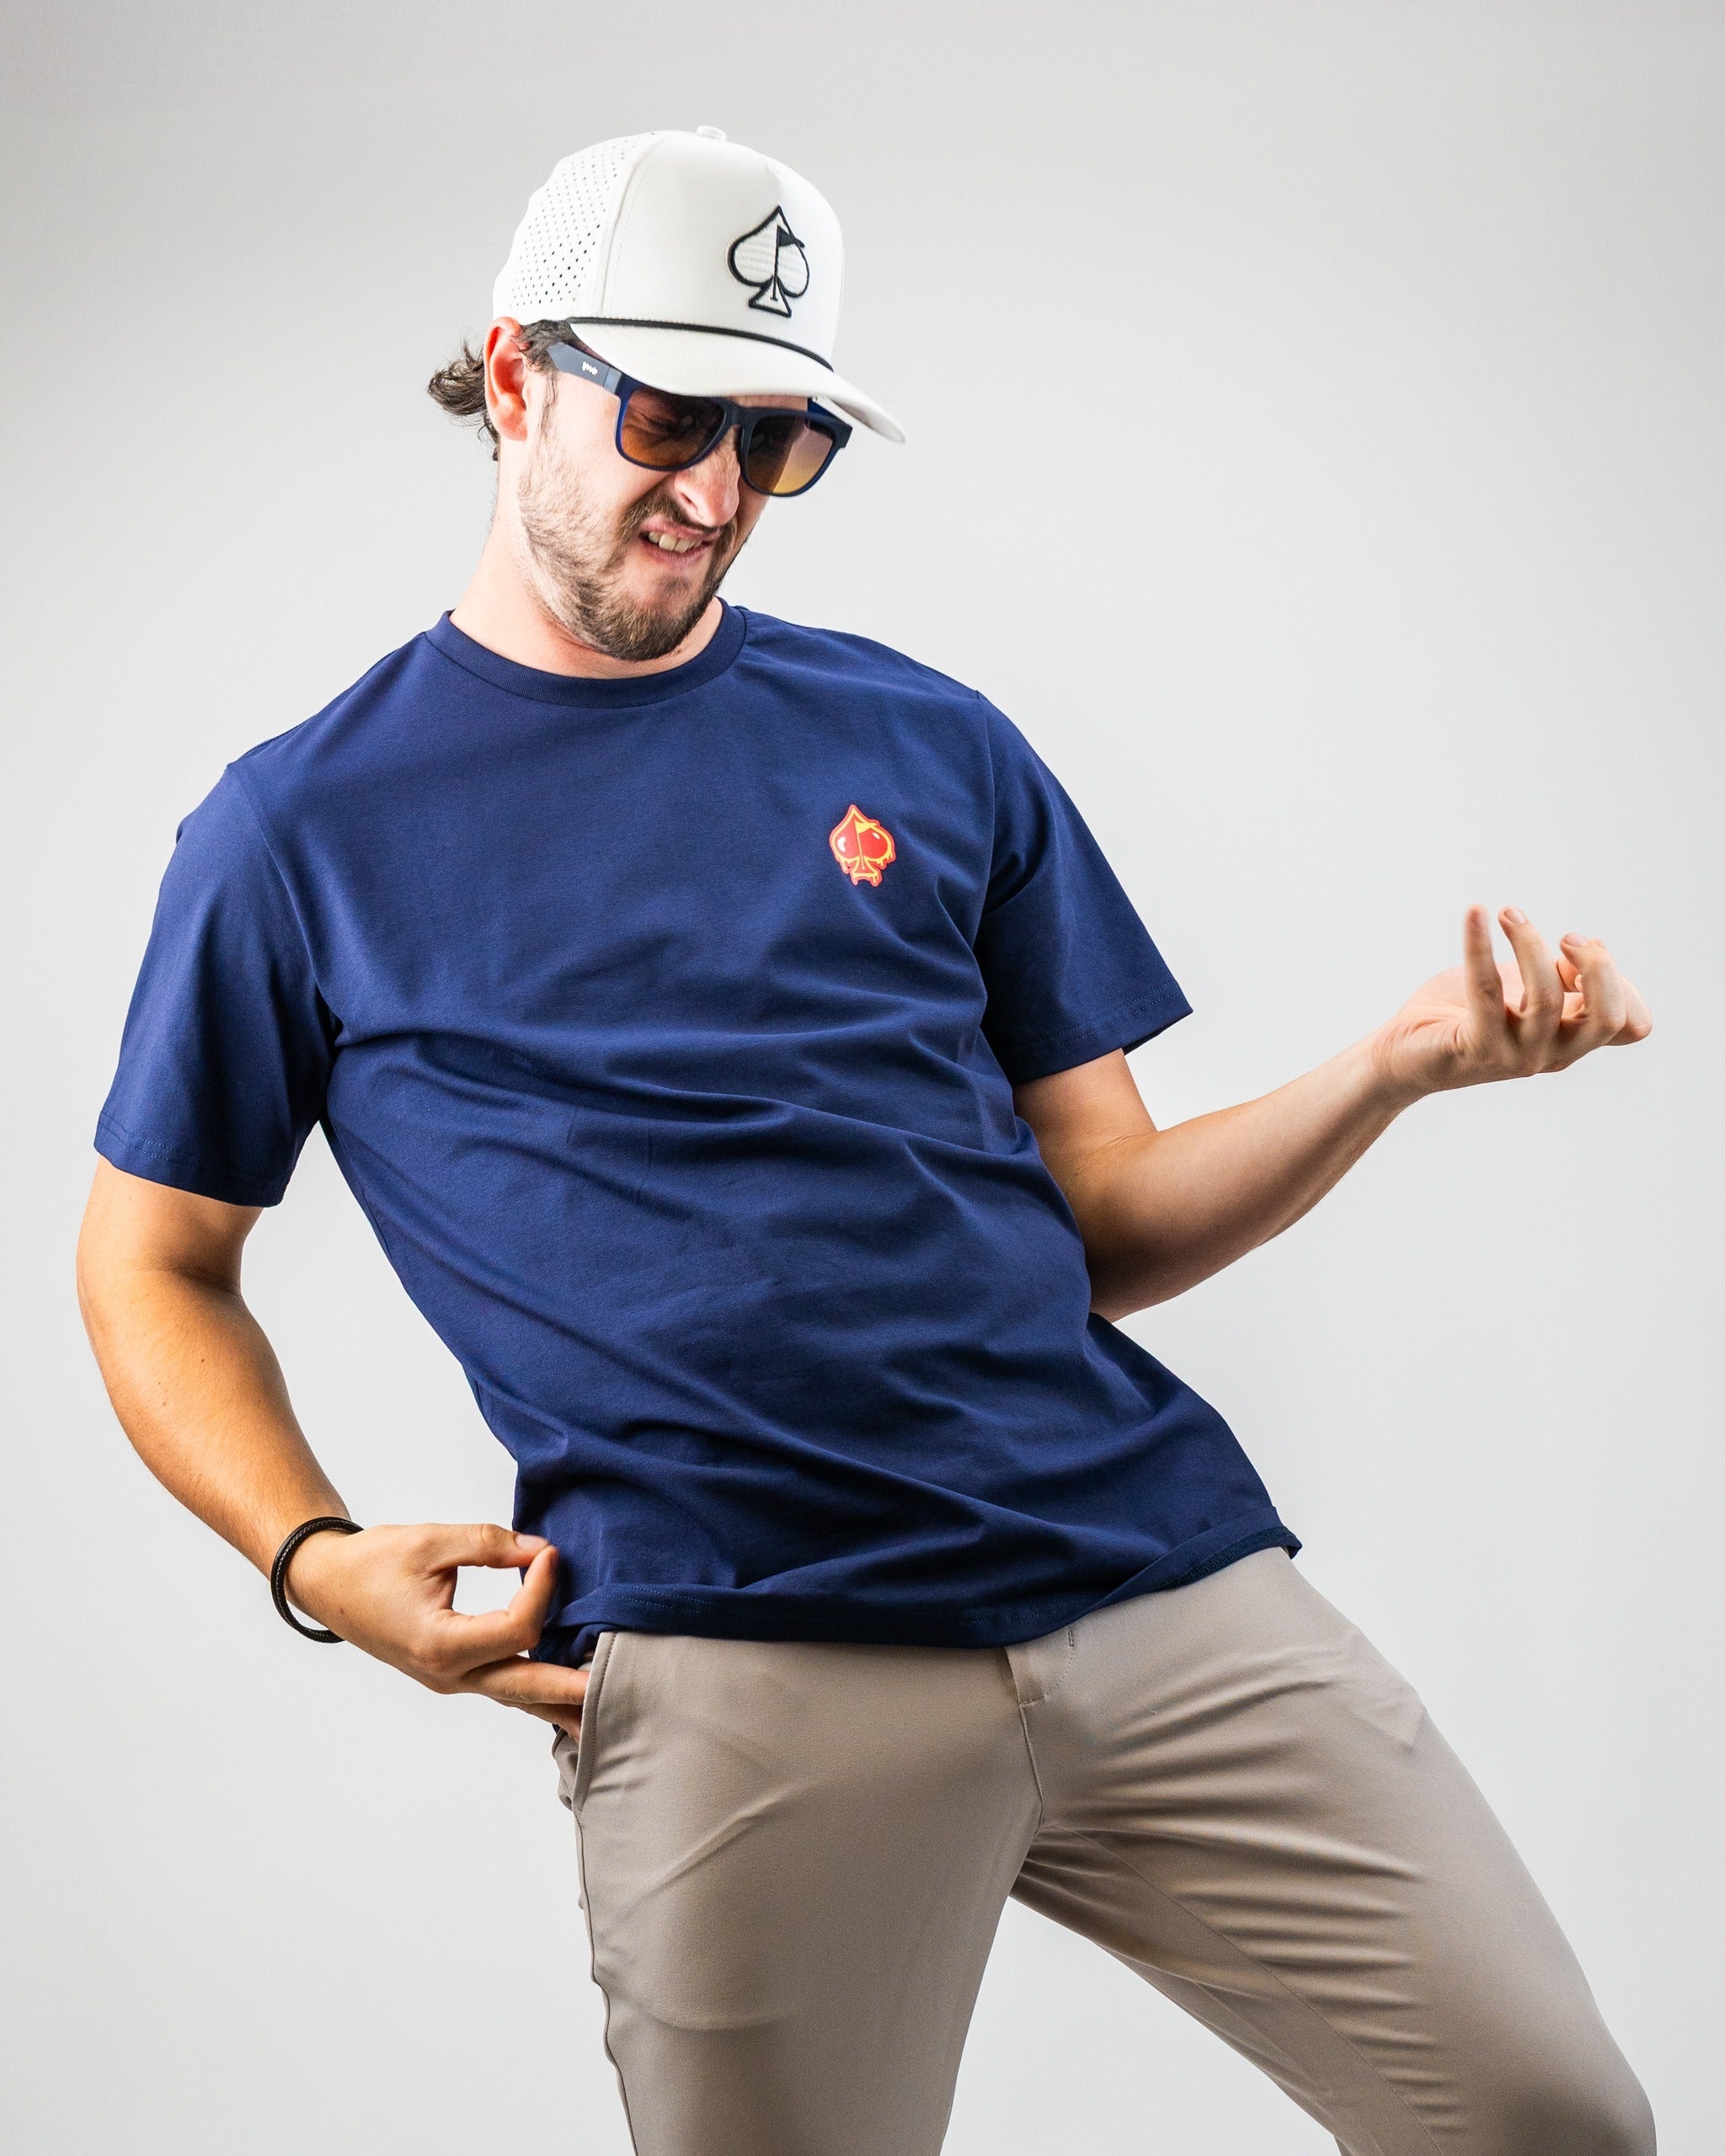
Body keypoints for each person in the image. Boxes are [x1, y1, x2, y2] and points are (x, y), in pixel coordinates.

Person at [77, 127, 1656, 2156]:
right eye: (668, 418)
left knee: (1549, 2117)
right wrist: (316, 1554)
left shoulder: (932, 741)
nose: (717, 495)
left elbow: (1108, 1211)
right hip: (743, 1657)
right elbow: (153, 1255)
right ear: (514, 370)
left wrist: (1394, 1065)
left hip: (1149, 1578)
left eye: (776, 440)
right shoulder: (296, 831)